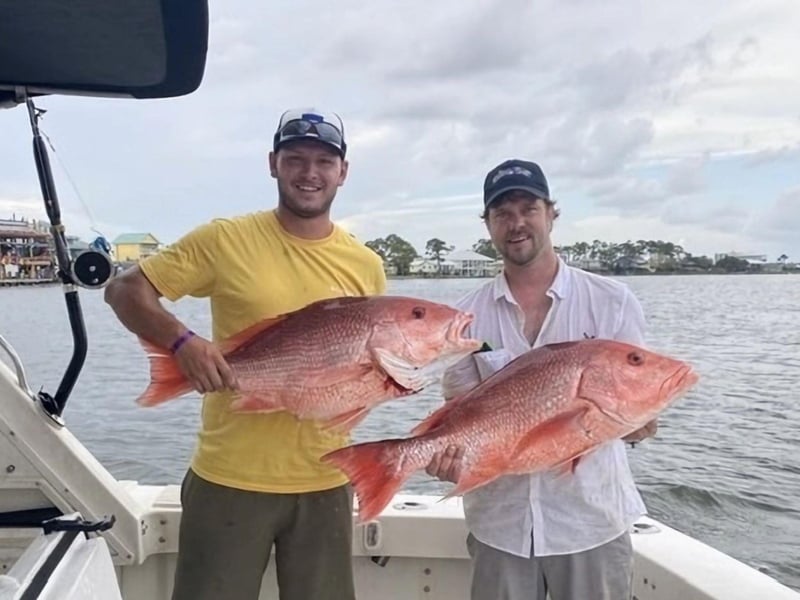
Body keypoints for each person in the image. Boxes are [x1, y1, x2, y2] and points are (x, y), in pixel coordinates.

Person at [104, 108, 386, 600]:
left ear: (343, 171)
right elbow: (125, 289)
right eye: (295, 158)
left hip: (325, 479)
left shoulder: (367, 265)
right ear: (272, 163)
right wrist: (182, 343)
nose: (309, 173)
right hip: (229, 477)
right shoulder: (225, 239)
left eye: (324, 161)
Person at [425, 158, 657, 600]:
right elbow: (459, 412)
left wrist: (636, 425)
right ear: (487, 224)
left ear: (551, 213)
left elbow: (636, 407)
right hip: (500, 524)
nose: (517, 224)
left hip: (591, 522)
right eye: (502, 213)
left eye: (528, 209)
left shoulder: (612, 301)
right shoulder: (464, 320)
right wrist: (447, 457)